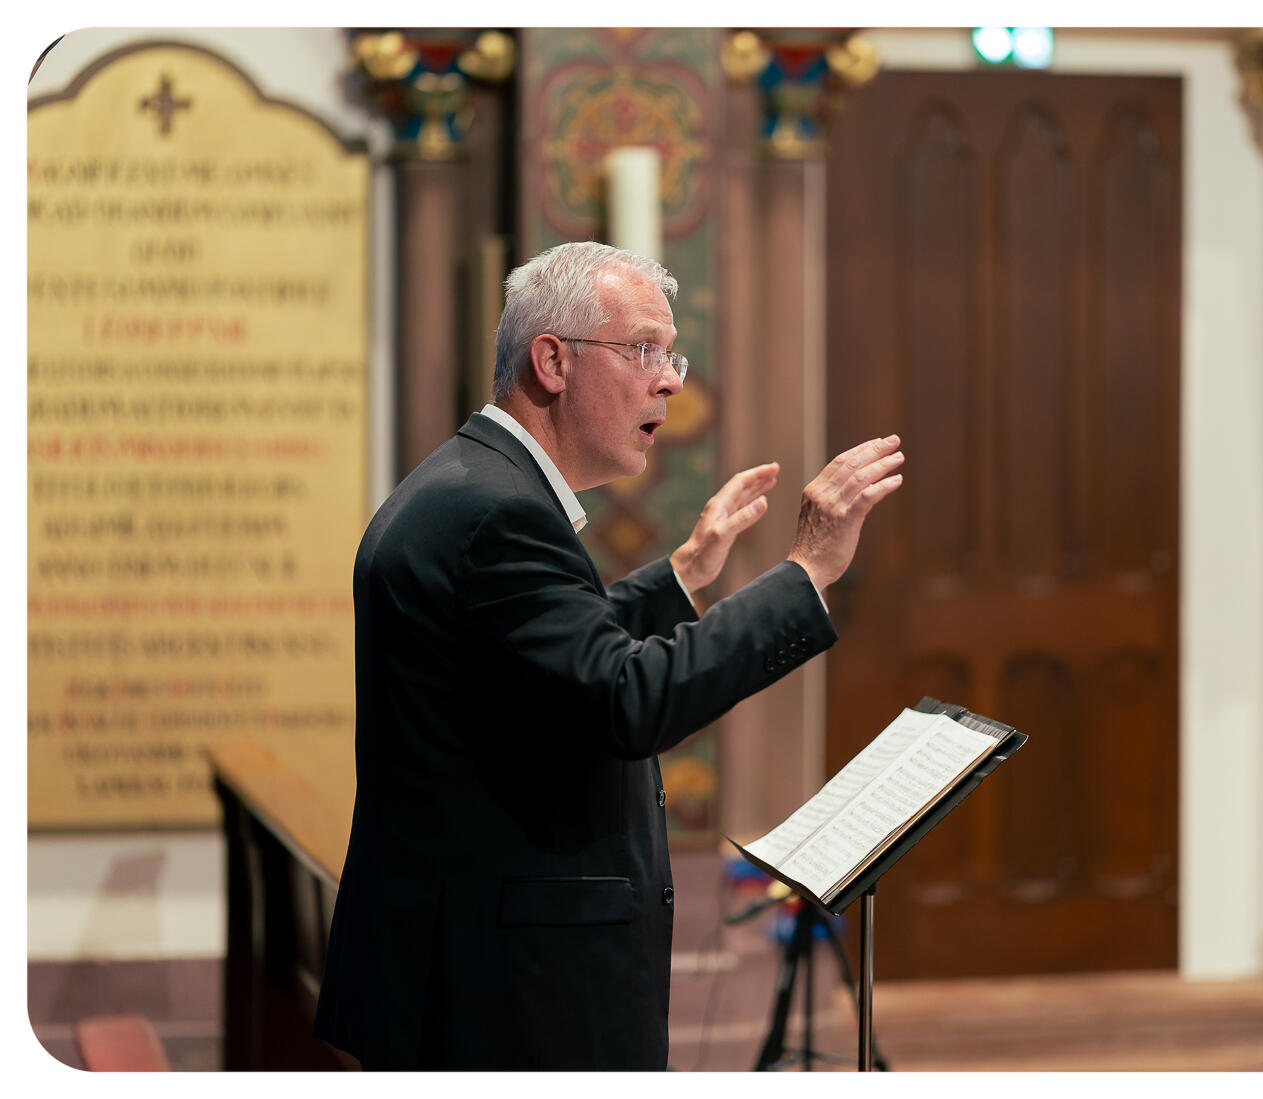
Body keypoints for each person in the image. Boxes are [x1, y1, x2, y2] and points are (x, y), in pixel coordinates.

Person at [313, 241, 903, 1070]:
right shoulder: (499, 514)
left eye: (671, 355)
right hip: (500, 993)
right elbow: (627, 701)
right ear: (552, 360)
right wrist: (805, 573)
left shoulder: (472, 484)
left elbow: (541, 662)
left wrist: (685, 574)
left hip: (467, 965)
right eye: (643, 351)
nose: (669, 380)